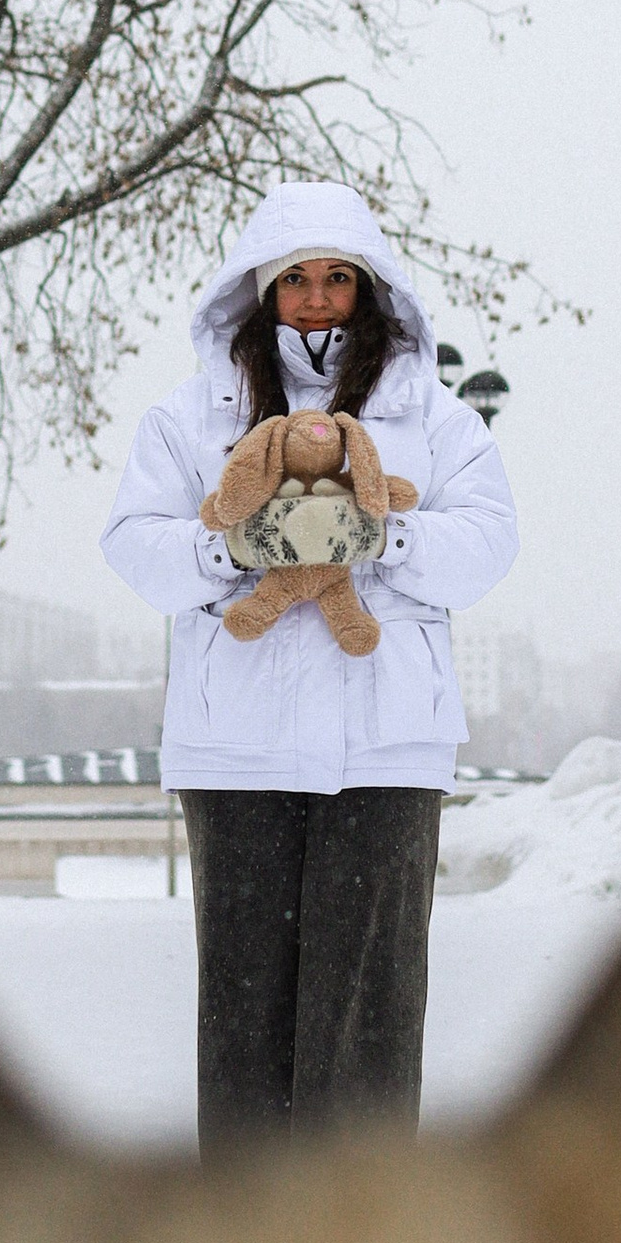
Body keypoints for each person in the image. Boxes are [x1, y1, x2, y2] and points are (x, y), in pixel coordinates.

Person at [102, 180, 518, 1144]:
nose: (319, 300)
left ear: (371, 292)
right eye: (298, 280)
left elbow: (489, 543)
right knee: (245, 1017)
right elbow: (133, 541)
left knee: (368, 1018)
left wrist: (382, 536)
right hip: (234, 749)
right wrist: (236, 549)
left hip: (386, 751)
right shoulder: (188, 416)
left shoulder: (437, 417)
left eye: (338, 279)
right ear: (262, 290)